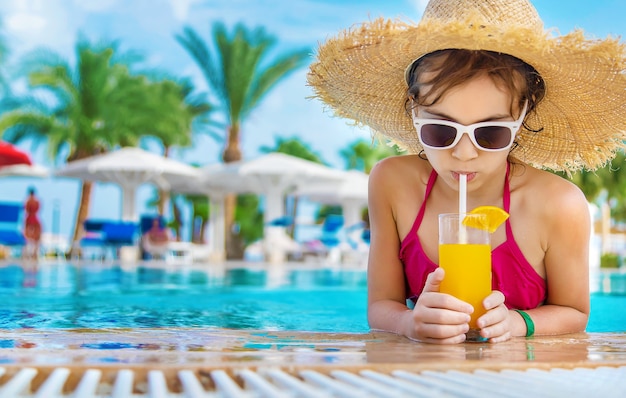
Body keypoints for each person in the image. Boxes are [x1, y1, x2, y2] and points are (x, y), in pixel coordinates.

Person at [308, 0, 626, 343]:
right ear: (415, 112)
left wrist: (520, 324)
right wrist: (409, 323)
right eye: (440, 131)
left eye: (490, 133)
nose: (462, 154)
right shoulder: (391, 183)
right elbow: (382, 305)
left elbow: (575, 313)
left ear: (522, 117)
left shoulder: (558, 204)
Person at [23, 187, 42, 260]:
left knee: (26, 235)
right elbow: (38, 208)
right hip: (35, 218)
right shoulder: (37, 201)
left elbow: (26, 209)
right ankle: (35, 253)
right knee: (37, 236)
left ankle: (26, 253)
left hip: (29, 219)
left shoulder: (27, 201)